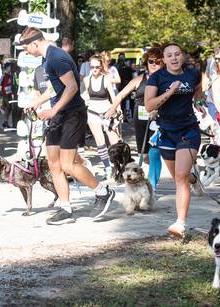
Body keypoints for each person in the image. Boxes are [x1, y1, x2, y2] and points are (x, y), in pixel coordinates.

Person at [17, 26, 115, 225]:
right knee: (53, 163)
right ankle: (65, 208)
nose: (26, 52)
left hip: (72, 114)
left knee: (68, 164)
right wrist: (36, 103)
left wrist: (52, 111)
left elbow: (72, 87)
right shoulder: (47, 59)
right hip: (58, 116)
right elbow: (55, 88)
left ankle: (102, 191)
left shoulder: (57, 57)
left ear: (35, 43)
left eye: (26, 48)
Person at [145, 43, 204, 238]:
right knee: (180, 178)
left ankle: (180, 224)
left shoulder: (192, 73)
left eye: (177, 54)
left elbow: (198, 89)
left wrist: (199, 102)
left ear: (183, 56)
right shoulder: (157, 77)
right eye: (169, 55)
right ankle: (193, 178)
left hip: (188, 130)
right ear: (164, 59)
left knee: (180, 177)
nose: (174, 58)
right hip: (166, 131)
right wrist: (170, 92)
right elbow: (149, 105)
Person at [115, 47, 164, 191]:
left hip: (157, 120)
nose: (154, 64)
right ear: (146, 63)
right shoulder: (139, 79)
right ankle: (150, 176)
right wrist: (112, 109)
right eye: (151, 61)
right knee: (145, 155)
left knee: (154, 152)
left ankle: (152, 186)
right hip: (140, 120)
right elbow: (122, 94)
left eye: (158, 62)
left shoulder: (166, 79)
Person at [81, 54, 121, 179]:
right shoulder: (87, 80)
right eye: (92, 66)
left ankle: (117, 166)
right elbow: (85, 93)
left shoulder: (106, 79)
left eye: (97, 67)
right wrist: (85, 99)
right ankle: (107, 168)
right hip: (92, 112)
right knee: (100, 142)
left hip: (107, 112)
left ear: (101, 66)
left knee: (114, 142)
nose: (94, 69)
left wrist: (118, 110)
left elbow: (114, 97)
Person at [0, 63, 16, 128]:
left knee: (9, 108)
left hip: (9, 94)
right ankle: (5, 121)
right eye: (9, 67)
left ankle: (6, 121)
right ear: (6, 68)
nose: (10, 68)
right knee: (8, 107)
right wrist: (0, 93)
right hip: (5, 94)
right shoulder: (4, 76)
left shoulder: (10, 76)